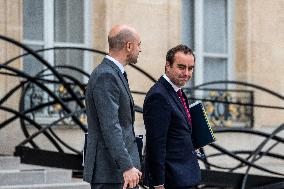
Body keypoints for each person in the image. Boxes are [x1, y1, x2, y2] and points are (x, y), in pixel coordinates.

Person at [83, 24, 142, 189]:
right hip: (112, 172)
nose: (140, 49)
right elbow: (111, 126)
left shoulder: (113, 73)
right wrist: (127, 166)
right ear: (128, 46)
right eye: (139, 44)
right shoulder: (106, 75)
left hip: (118, 173)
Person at [143, 44, 201, 189]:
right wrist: (158, 183)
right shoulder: (158, 96)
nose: (186, 73)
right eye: (181, 67)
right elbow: (155, 144)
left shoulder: (178, 93)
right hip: (170, 180)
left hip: (184, 177)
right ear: (167, 66)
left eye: (190, 68)